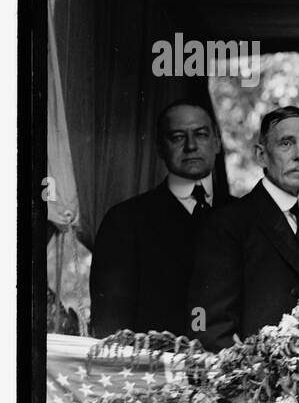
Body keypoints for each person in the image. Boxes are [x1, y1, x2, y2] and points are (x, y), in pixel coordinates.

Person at [189, 106, 299, 350]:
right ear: (261, 155)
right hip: (256, 384)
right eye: (286, 143)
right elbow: (212, 330)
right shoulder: (229, 223)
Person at [90, 98, 227, 337]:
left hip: (234, 370)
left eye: (201, 134)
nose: (191, 146)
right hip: (154, 368)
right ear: (159, 148)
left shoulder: (246, 217)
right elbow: (110, 324)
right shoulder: (125, 220)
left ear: (217, 142)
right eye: (177, 137)